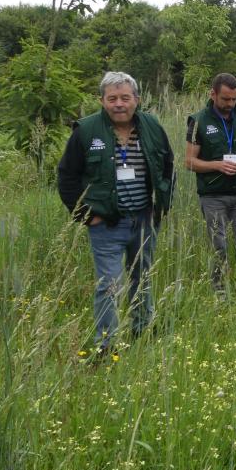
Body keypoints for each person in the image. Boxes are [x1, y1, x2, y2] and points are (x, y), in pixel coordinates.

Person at [57, 71, 175, 356]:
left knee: (142, 277)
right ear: (102, 101)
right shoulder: (85, 131)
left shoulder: (152, 126)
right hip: (106, 224)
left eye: (125, 97)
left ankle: (142, 329)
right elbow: (66, 176)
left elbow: (168, 165)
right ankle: (106, 345)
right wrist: (86, 216)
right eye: (112, 98)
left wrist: (162, 206)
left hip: (145, 219)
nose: (119, 104)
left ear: (137, 99)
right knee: (109, 285)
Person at [185, 73, 236, 294]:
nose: (230, 104)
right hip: (213, 196)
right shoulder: (198, 120)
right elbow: (189, 161)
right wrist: (217, 165)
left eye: (234, 99)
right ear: (213, 94)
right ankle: (220, 294)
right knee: (219, 247)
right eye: (225, 99)